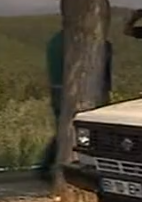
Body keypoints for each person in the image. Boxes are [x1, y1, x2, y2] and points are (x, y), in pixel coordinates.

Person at [38, 29, 113, 182]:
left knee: (63, 128)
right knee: (86, 130)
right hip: (79, 90)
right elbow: (104, 70)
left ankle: (47, 165)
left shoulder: (55, 41)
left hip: (57, 88)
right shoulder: (93, 43)